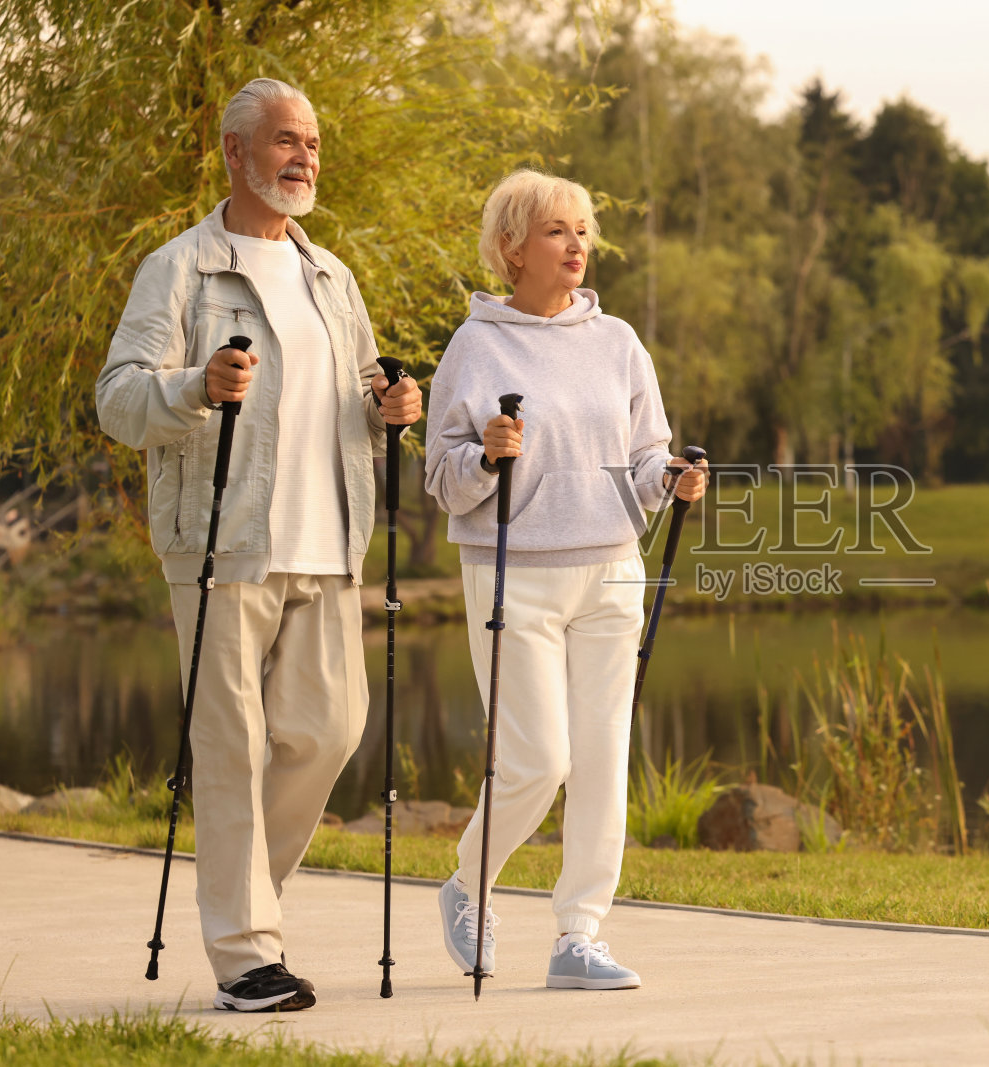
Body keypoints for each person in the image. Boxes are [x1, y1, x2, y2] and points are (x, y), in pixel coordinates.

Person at [95, 78, 422, 1012]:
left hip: (329, 543)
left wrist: (391, 405)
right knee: (230, 746)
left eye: (313, 143)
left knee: (329, 731)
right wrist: (194, 385)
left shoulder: (333, 277)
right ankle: (245, 956)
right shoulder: (180, 269)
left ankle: (246, 906)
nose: (305, 158)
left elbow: (359, 396)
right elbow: (119, 397)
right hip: (220, 543)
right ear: (235, 153)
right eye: (286, 141)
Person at [424, 169, 706, 990]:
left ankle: (579, 934)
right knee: (536, 761)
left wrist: (672, 478)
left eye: (582, 230)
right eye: (557, 230)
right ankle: (469, 883)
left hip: (611, 570)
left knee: (601, 758)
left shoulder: (617, 341)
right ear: (512, 248)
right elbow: (443, 472)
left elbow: (646, 452)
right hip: (515, 576)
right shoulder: (476, 345)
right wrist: (486, 455)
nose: (577, 244)